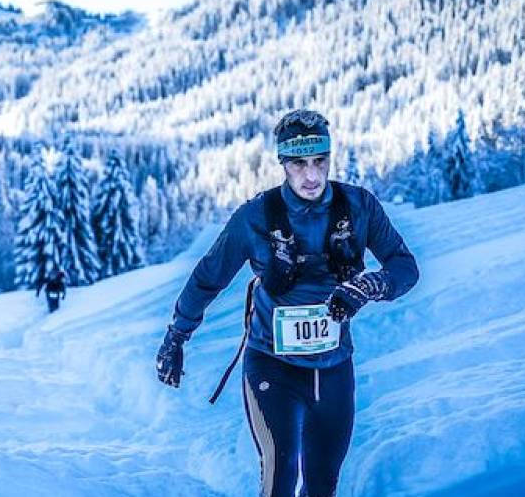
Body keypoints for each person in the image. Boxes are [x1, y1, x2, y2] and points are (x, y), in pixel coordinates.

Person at [155, 109, 419, 497]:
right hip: (272, 367)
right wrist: (175, 337)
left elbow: (404, 267)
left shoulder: (359, 207)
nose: (311, 175)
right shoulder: (254, 218)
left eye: (319, 161)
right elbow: (207, 278)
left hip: (334, 368)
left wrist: (372, 284)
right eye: (298, 164)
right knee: (280, 480)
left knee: (322, 486)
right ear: (282, 163)